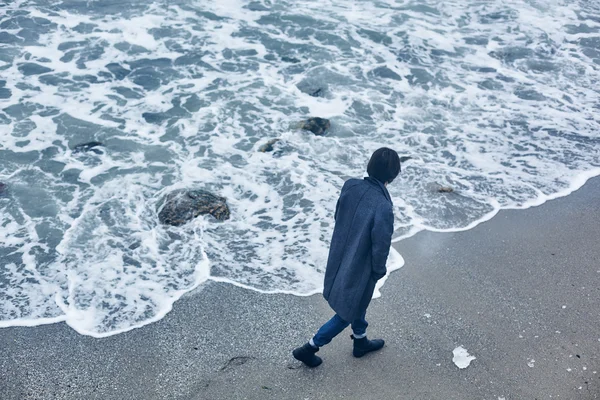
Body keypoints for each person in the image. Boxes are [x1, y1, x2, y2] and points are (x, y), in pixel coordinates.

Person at [292, 147, 401, 367]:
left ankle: (360, 341)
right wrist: (378, 269)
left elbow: (338, 215)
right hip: (361, 265)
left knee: (357, 303)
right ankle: (310, 347)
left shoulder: (350, 185)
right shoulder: (384, 206)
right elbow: (381, 245)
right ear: (393, 175)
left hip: (341, 251)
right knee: (347, 311)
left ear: (369, 166)